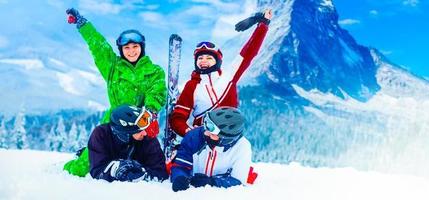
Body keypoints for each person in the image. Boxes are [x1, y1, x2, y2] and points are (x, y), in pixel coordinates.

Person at [63, 8, 166, 177]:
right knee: (82, 167)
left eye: (135, 47)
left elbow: (157, 92)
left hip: (140, 122)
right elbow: (98, 46)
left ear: (142, 48)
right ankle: (71, 167)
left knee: (145, 160)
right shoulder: (113, 67)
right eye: (127, 48)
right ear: (121, 50)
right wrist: (83, 24)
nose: (131, 51)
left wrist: (150, 110)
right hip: (114, 121)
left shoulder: (154, 71)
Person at [169, 9, 273, 137]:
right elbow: (178, 118)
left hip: (231, 137)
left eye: (209, 58)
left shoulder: (229, 76)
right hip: (204, 139)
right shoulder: (192, 86)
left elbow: (249, 52)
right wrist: (190, 133)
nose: (203, 61)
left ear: (217, 61)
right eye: (200, 58)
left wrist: (263, 25)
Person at [171, 107, 256, 192]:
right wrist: (179, 177)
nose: (205, 132)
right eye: (206, 125)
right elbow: (180, 166)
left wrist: (212, 182)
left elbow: (238, 181)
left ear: (225, 138)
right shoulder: (194, 137)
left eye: (212, 132)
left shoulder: (242, 148)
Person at [89, 105, 168, 182]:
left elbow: (160, 172)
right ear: (125, 133)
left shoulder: (147, 139)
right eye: (139, 131)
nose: (145, 133)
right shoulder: (101, 135)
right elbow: (97, 171)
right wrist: (115, 170)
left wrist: (141, 172)